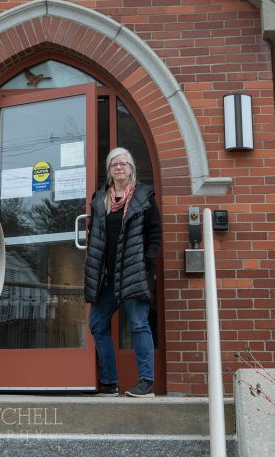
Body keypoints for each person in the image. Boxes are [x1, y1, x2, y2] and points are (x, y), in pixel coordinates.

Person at [84, 147, 162, 397]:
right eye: (114, 164)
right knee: (97, 322)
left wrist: (147, 261)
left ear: (131, 168)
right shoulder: (100, 199)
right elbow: (94, 235)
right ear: (109, 171)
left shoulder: (143, 196)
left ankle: (146, 383)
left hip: (133, 271)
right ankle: (109, 382)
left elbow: (154, 233)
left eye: (123, 163)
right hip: (108, 276)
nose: (119, 167)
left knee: (139, 324)